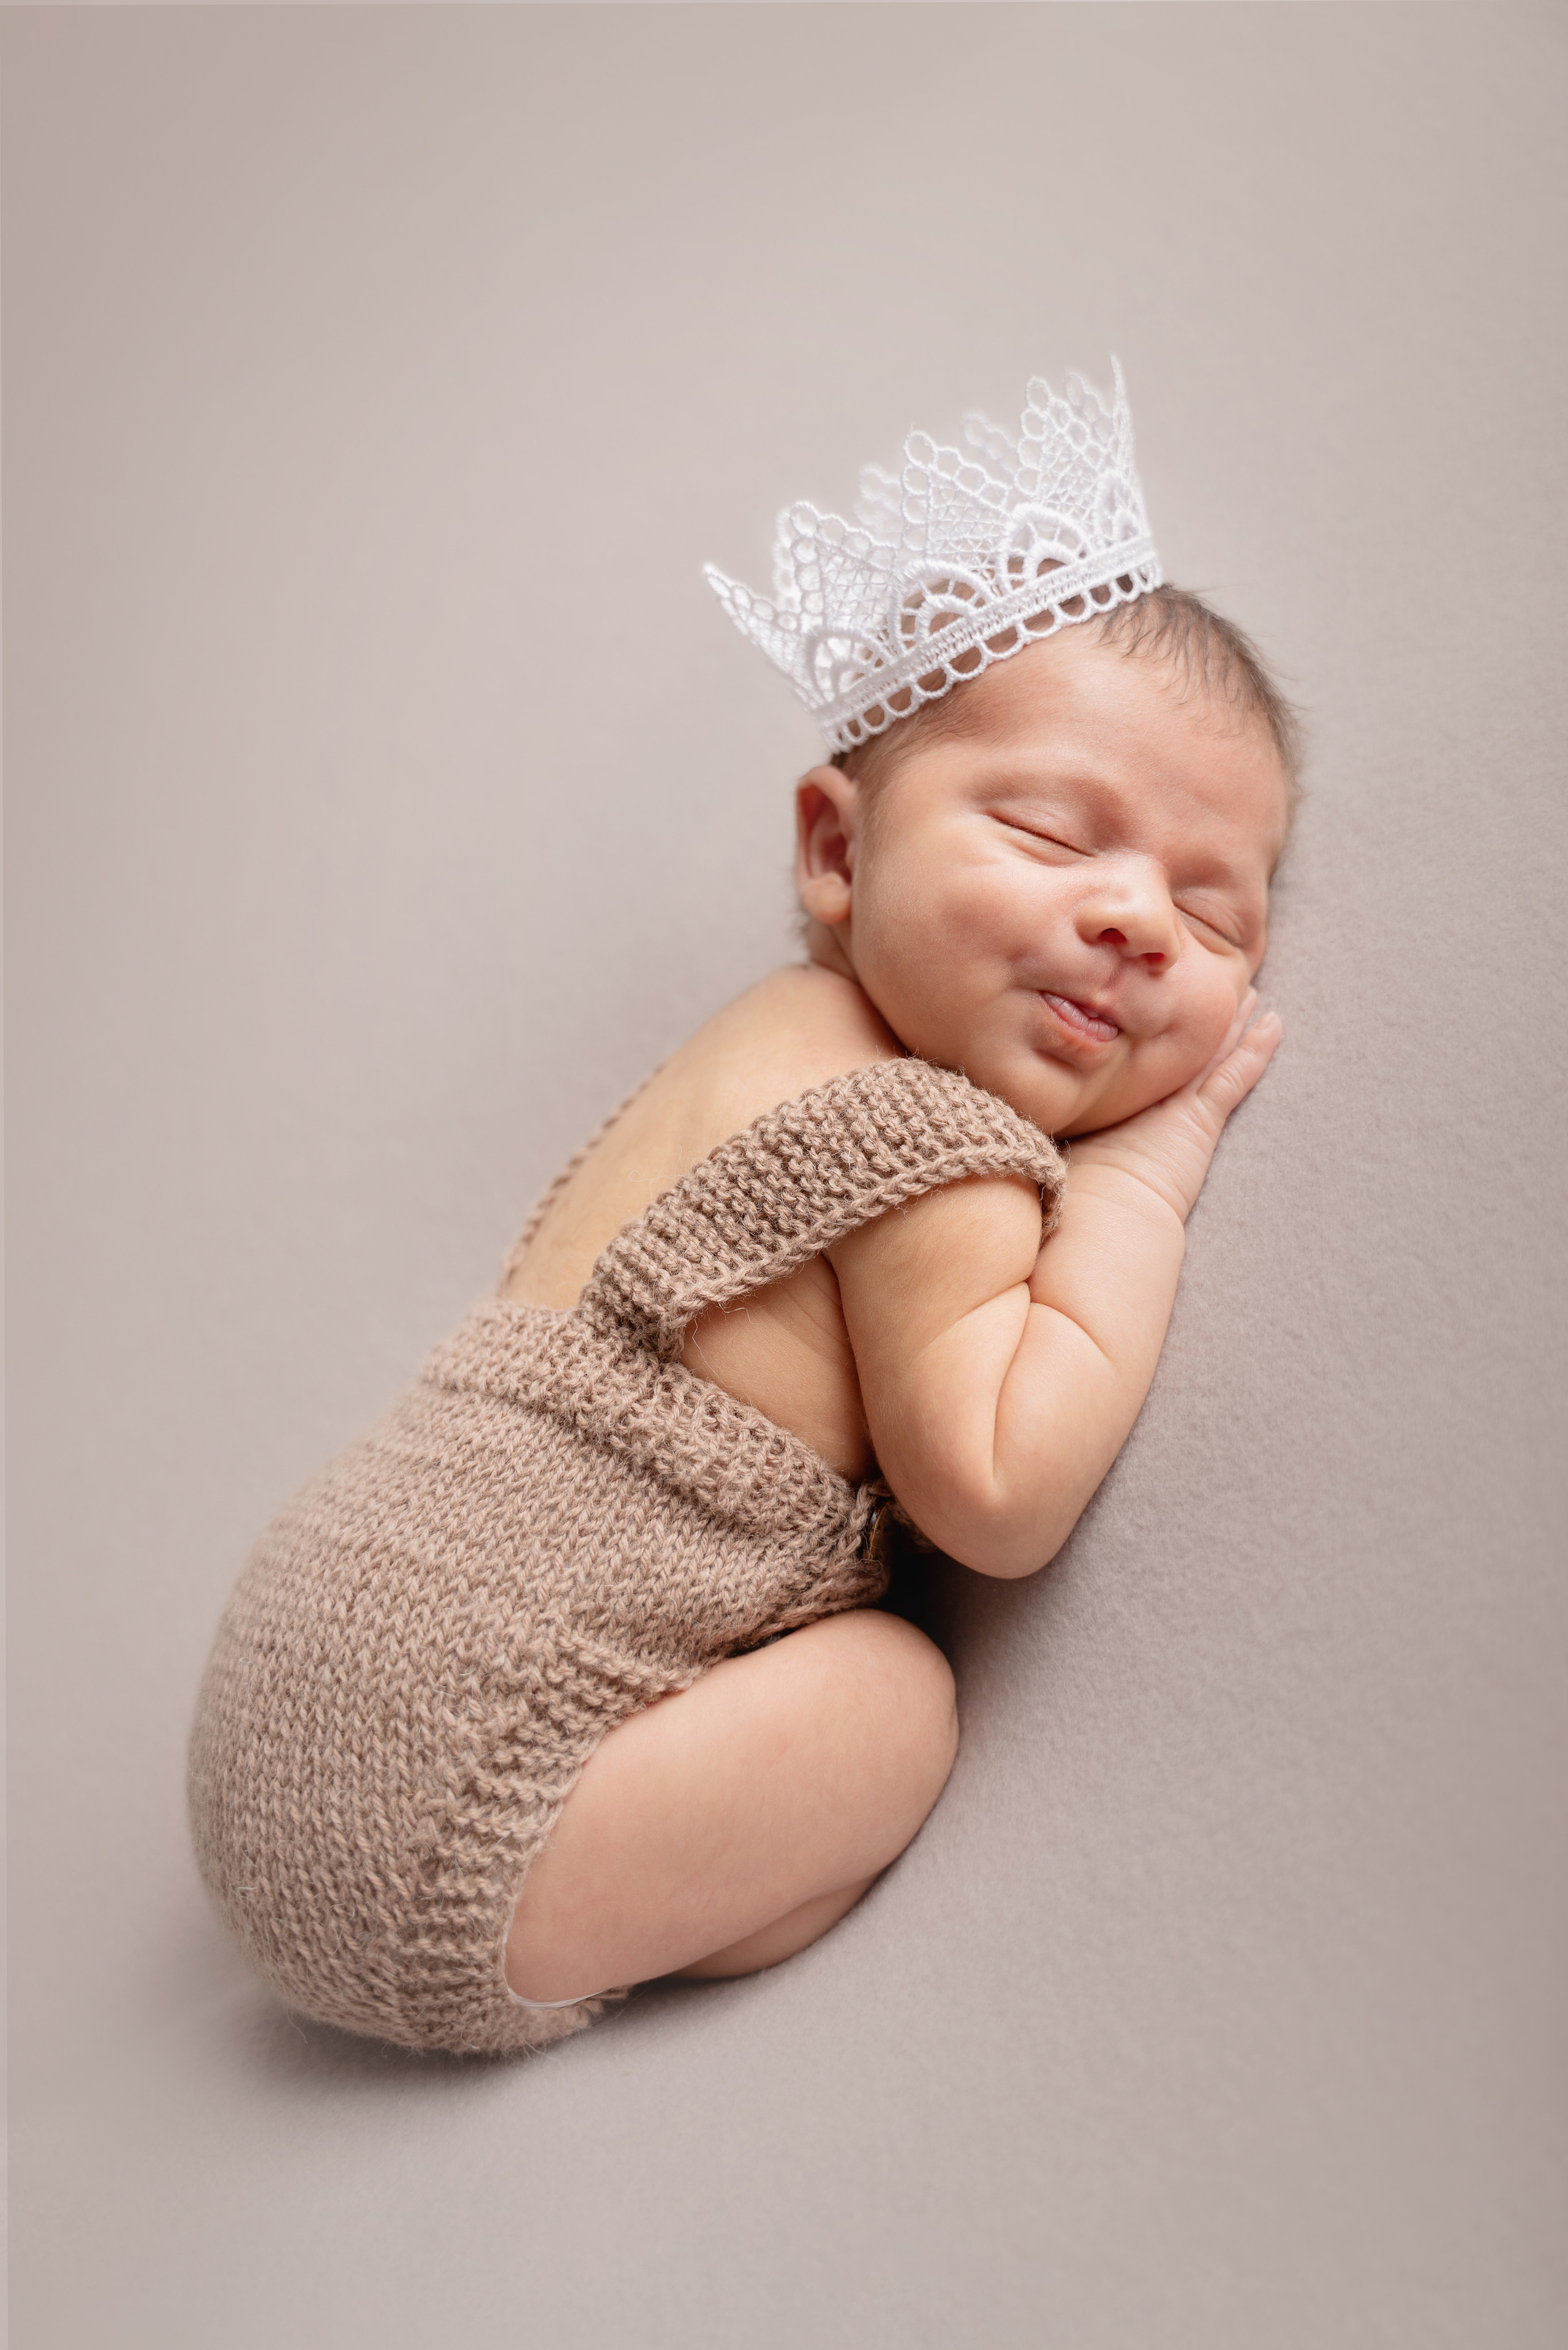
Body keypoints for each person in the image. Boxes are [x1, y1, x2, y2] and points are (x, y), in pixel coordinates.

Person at [189, 366, 1295, 2055]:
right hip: (451, 1821)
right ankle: (600, 1922)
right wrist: (1144, 1181)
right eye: (1048, 830)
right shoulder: (919, 1139)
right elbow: (997, 1494)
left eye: (1218, 916)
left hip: (300, 1680)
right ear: (836, 855)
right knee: (901, 1701)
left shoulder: (755, 1039)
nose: (1137, 917)